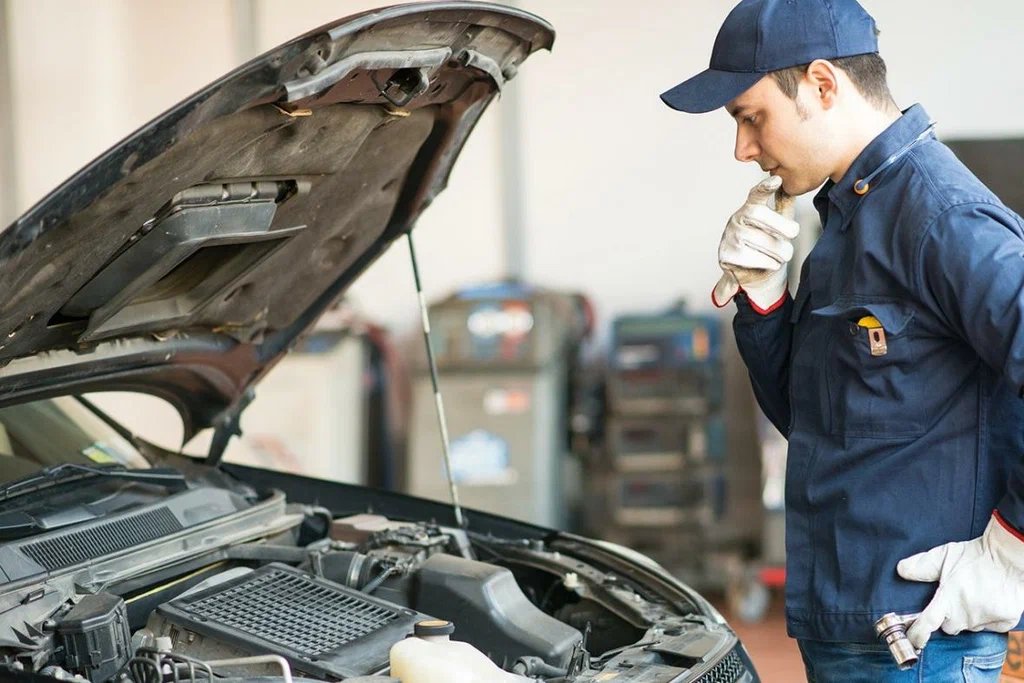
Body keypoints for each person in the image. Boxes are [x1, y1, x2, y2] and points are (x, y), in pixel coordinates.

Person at [659, 1, 1024, 681]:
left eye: (750, 115)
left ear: (823, 85)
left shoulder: (941, 217)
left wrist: (1012, 547)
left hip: (925, 644)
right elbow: (812, 423)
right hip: (847, 625)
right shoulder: (847, 223)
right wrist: (764, 299)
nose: (742, 147)